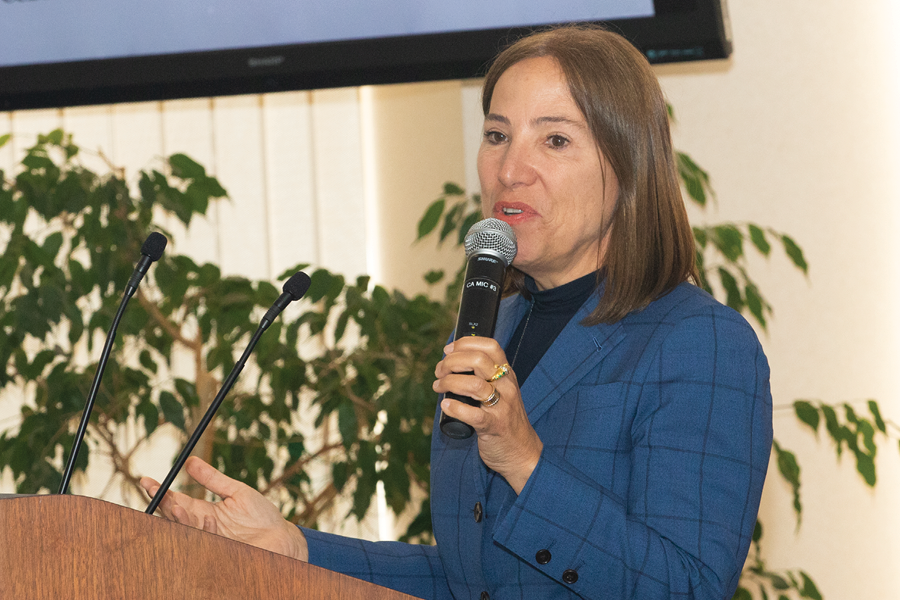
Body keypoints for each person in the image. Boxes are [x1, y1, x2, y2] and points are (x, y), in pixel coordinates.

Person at [140, 25, 772, 600]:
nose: (509, 168)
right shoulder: (491, 327)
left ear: (629, 165)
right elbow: (471, 579)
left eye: (554, 139)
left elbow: (686, 589)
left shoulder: (700, 343)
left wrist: (524, 458)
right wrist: (294, 547)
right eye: (497, 135)